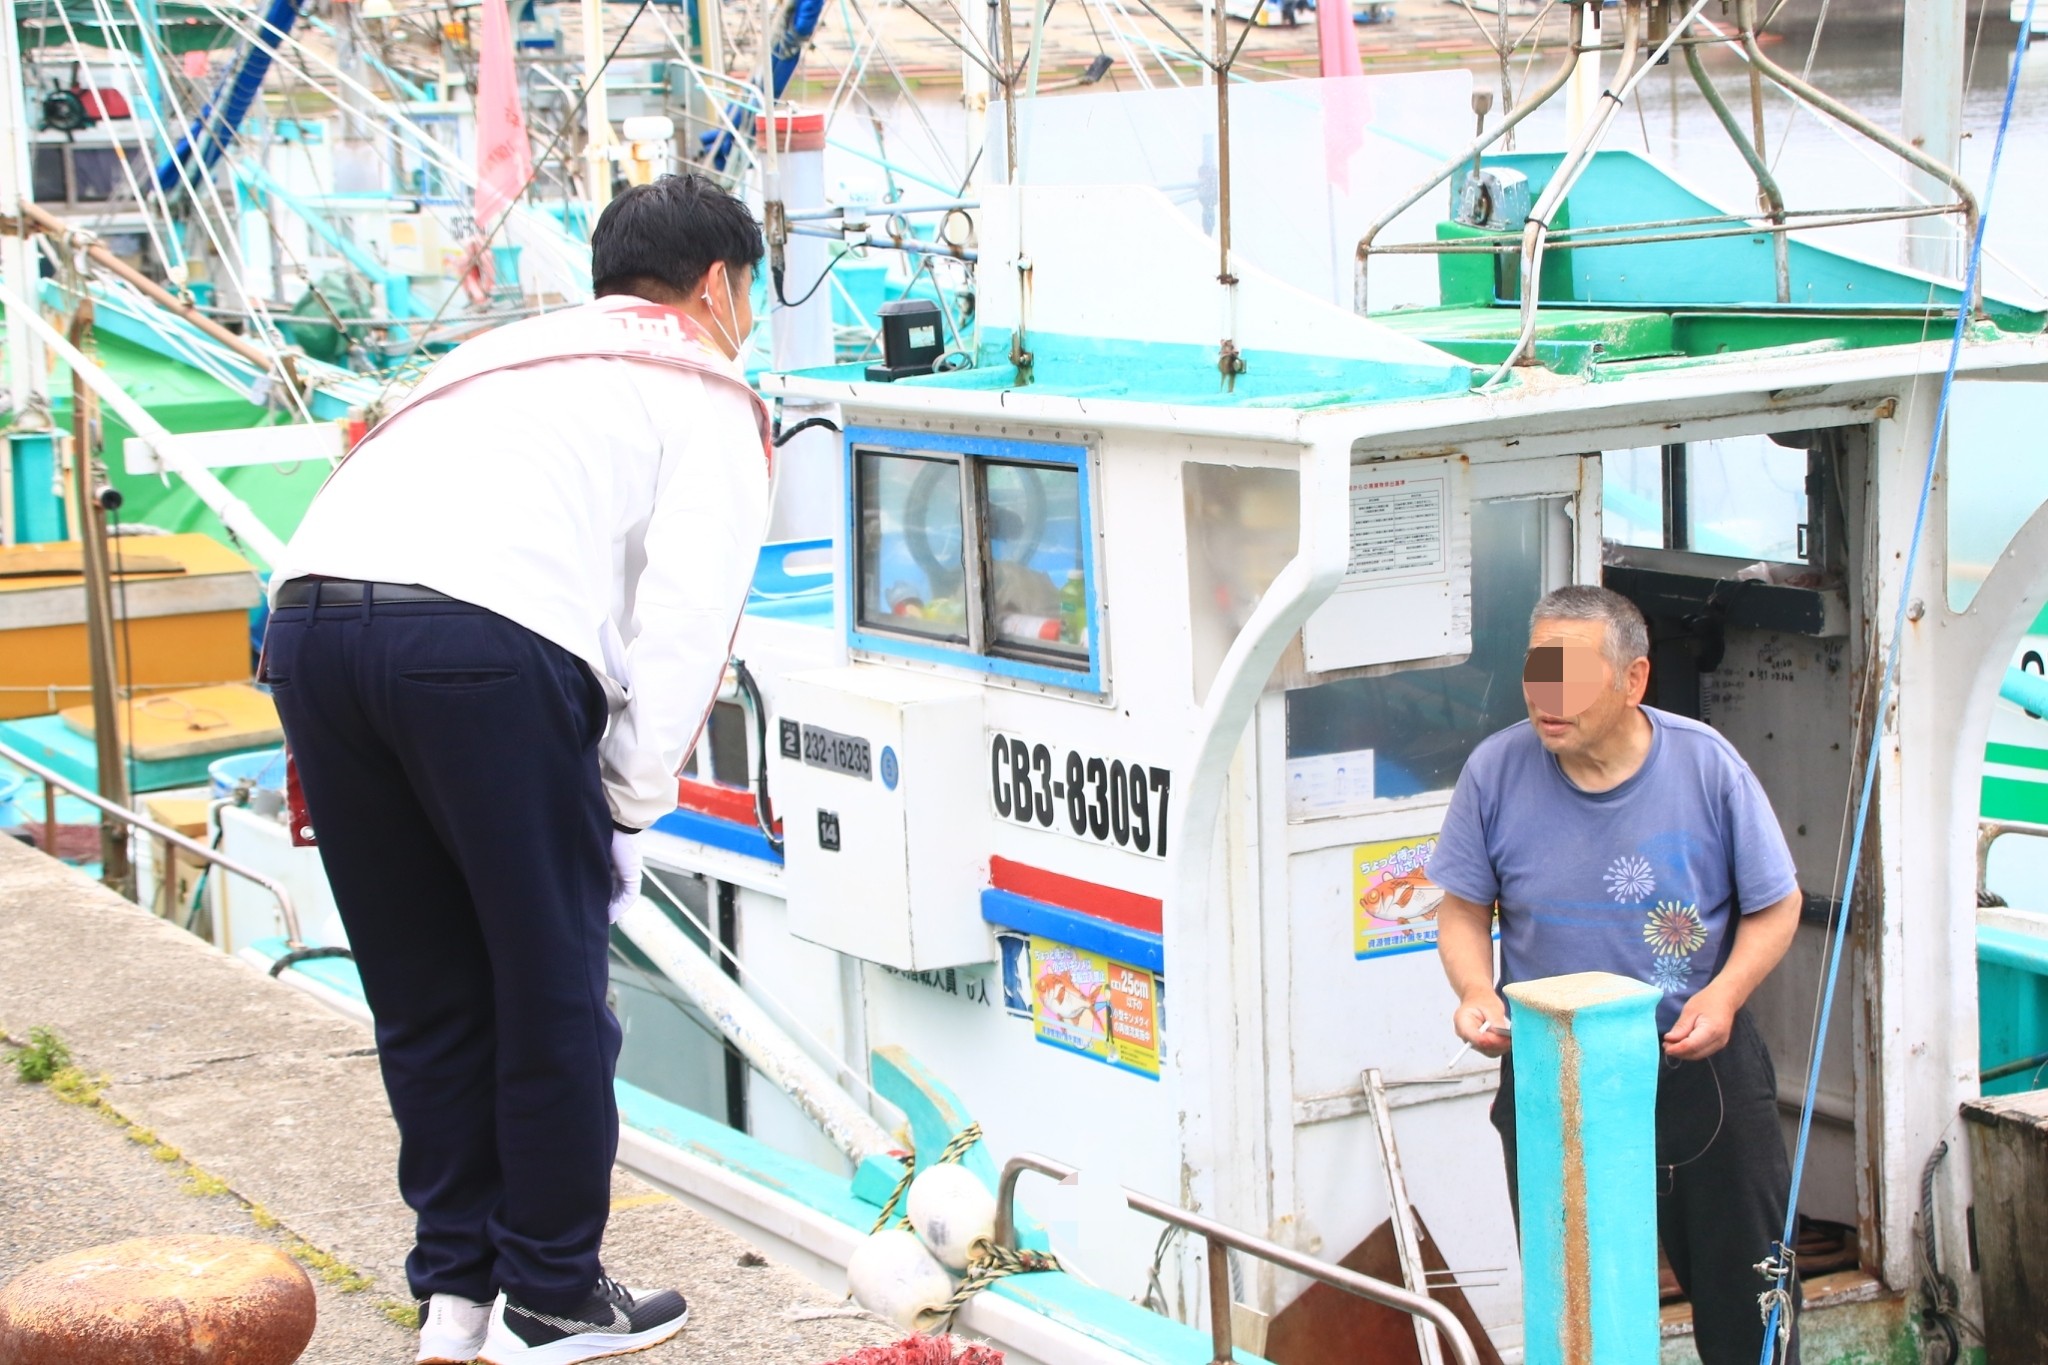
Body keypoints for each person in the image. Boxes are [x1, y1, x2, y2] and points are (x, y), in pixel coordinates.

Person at [261, 173, 773, 1365]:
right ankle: (549, 1294)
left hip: (310, 626)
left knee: (428, 994)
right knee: (548, 992)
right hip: (478, 644)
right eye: (747, 290)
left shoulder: (495, 357)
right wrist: (626, 815)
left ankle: (456, 1297)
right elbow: (690, 624)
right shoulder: (703, 383)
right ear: (715, 285)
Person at [1427, 585, 1805, 1365]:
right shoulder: (1495, 770)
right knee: (1578, 1311)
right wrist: (1474, 992)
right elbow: (1462, 908)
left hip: (1700, 1062)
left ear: (1633, 679)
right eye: (1538, 672)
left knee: (1749, 1301)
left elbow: (1778, 904)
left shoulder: (1708, 766)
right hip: (1554, 1071)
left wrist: (1724, 994)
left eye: (1571, 675)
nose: (1546, 698)